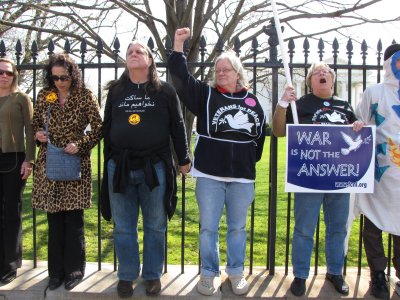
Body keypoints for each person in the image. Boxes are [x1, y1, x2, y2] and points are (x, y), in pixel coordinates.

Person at [168, 28, 266, 296]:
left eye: (227, 69)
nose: (221, 73)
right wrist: (178, 45)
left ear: (238, 73)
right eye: (218, 69)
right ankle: (208, 274)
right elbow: (179, 78)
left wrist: (244, 162)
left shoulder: (253, 101)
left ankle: (235, 273)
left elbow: (258, 141)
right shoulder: (205, 95)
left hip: (242, 178)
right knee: (208, 228)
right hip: (210, 175)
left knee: (237, 228)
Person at [101, 40, 191, 298]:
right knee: (123, 226)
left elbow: (178, 126)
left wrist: (184, 159)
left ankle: (152, 274)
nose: (134, 54)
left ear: (150, 60)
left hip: (156, 167)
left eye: (139, 51)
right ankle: (127, 275)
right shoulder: (116, 91)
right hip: (120, 166)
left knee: (155, 224)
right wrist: (108, 161)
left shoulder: (165, 91)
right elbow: (107, 127)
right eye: (130, 52)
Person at [272, 61, 364, 297]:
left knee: (337, 229)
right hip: (309, 178)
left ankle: (335, 272)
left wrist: (358, 126)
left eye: (326, 73)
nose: (322, 74)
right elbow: (279, 131)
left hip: (338, 179)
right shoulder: (299, 105)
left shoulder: (344, 106)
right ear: (310, 81)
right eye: (316, 73)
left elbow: (358, 135)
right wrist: (283, 104)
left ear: (332, 80)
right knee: (304, 229)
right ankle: (301, 275)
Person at [31, 53, 102, 291]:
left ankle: (74, 269)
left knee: (74, 220)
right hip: (49, 163)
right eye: (55, 78)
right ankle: (55, 272)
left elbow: (99, 128)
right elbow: (34, 125)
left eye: (64, 77)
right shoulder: (45, 96)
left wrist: (80, 144)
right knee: (54, 221)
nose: (60, 82)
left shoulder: (85, 96)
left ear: (73, 74)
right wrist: (38, 135)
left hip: (75, 164)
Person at [354, 44, 400, 299]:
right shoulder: (374, 92)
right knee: (372, 227)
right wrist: (358, 125)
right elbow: (362, 123)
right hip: (379, 173)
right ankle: (378, 275)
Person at [0, 58, 35, 284]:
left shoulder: (21, 98)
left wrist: (29, 160)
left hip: (13, 159)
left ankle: (10, 264)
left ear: (14, 76)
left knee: (11, 212)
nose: (4, 76)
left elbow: (31, 130)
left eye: (8, 73)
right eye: (1, 72)